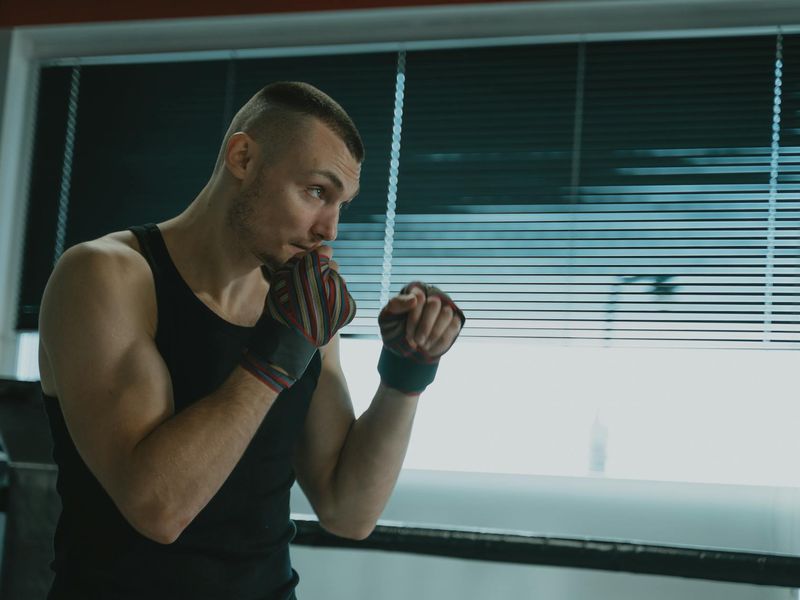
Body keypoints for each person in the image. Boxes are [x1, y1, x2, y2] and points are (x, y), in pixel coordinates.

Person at [37, 81, 465, 599]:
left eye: (342, 204)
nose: (329, 229)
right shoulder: (105, 275)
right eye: (317, 191)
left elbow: (347, 512)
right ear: (242, 157)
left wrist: (404, 373)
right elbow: (159, 509)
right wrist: (277, 354)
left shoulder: (299, 307)